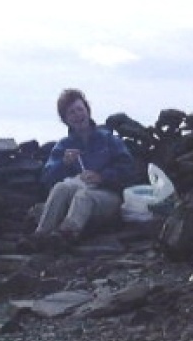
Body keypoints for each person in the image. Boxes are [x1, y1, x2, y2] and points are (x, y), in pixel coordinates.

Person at [33, 88, 138, 247]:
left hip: (108, 196)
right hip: (74, 197)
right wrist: (64, 164)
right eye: (71, 113)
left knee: (84, 196)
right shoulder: (64, 146)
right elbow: (47, 177)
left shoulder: (108, 139)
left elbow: (128, 168)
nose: (77, 115)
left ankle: (66, 236)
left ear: (87, 111)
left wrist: (101, 176)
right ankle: (40, 235)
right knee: (61, 187)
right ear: (65, 119)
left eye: (80, 109)